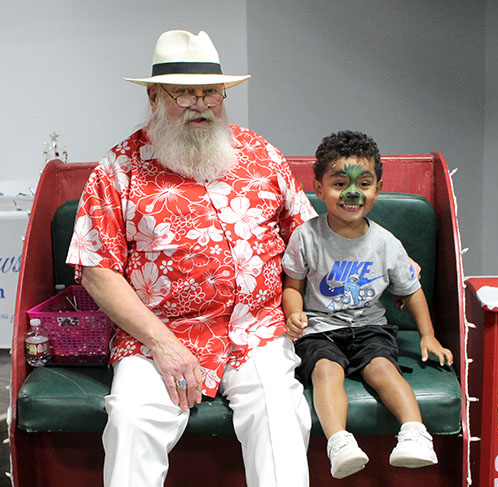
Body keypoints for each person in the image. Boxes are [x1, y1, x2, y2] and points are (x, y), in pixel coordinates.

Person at [66, 29, 316, 487]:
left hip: (256, 329)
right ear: (154, 97)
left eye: (211, 93)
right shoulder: (119, 168)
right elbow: (97, 268)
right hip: (157, 335)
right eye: (183, 93)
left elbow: (306, 236)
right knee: (131, 420)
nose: (200, 105)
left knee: (280, 415)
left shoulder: (261, 154)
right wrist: (161, 343)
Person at [281, 130, 454, 479]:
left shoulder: (386, 243)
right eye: (339, 183)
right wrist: (294, 312)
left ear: (377, 189)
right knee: (325, 371)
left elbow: (412, 289)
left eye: (364, 183)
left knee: (382, 368)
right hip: (320, 330)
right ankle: (340, 442)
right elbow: (293, 285)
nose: (352, 193)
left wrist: (428, 335)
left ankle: (414, 433)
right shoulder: (306, 236)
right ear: (319, 189)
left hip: (370, 327)